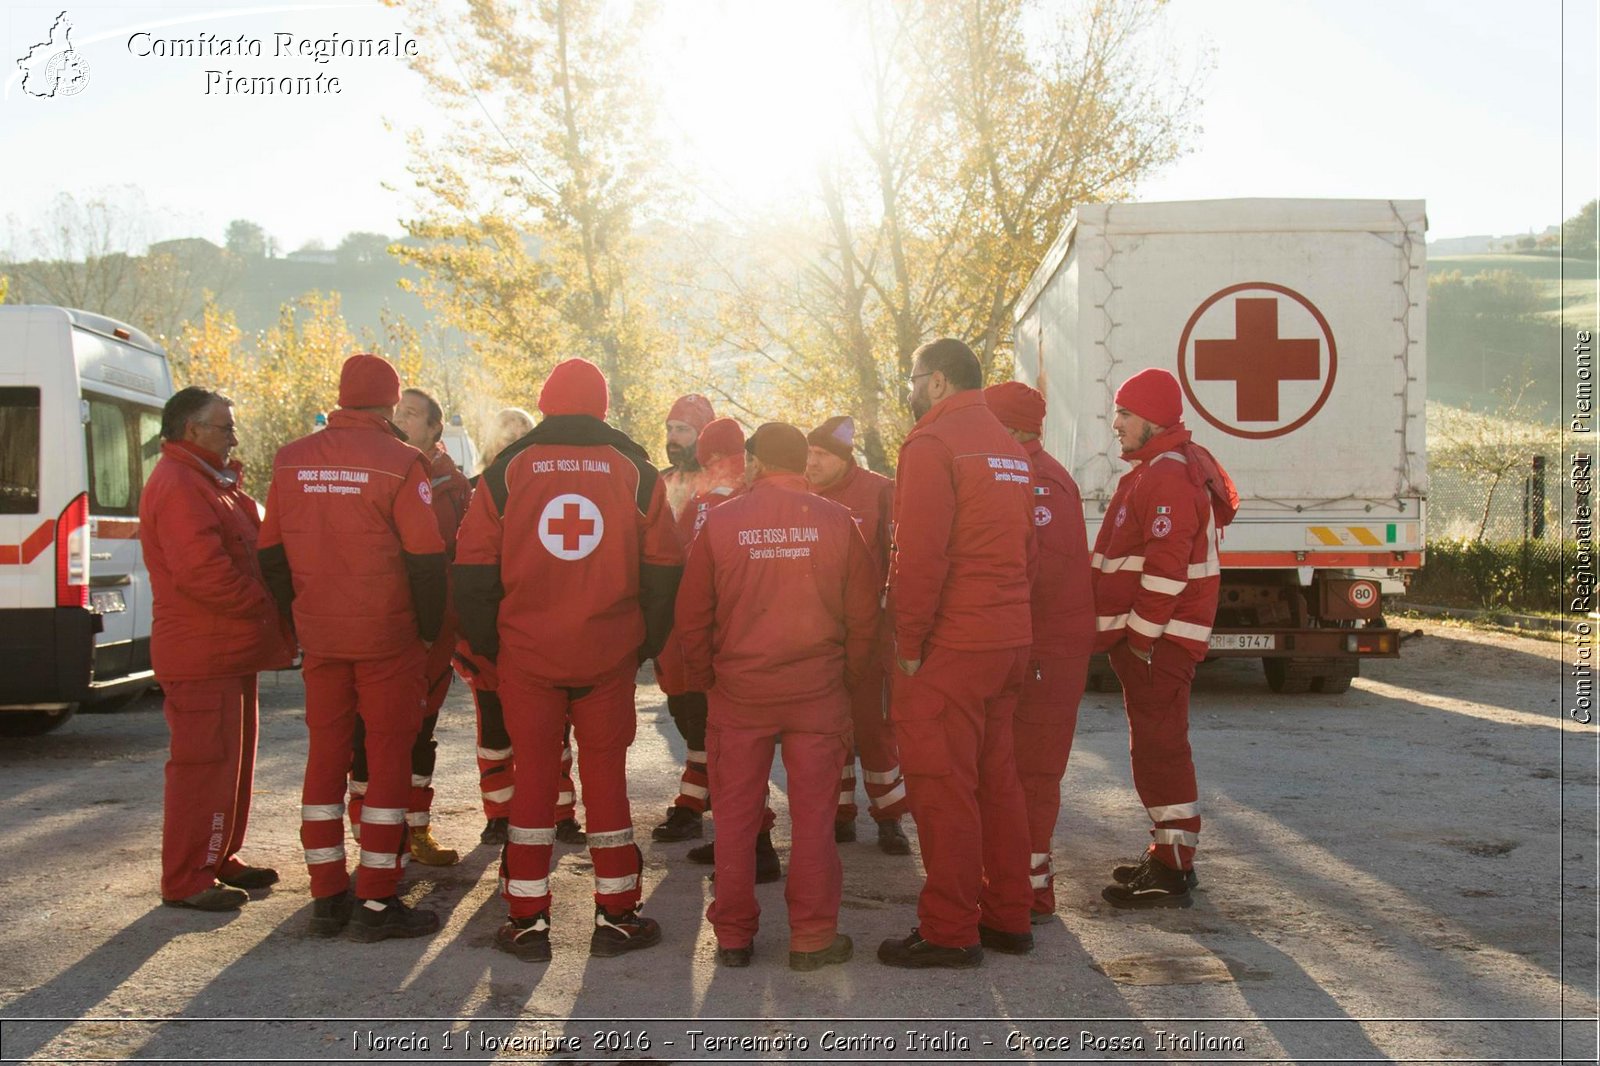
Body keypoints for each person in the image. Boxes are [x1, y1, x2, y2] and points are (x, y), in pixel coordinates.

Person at [455, 358, 682, 963]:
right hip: (607, 654)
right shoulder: (636, 473)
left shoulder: (506, 472)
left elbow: (472, 570)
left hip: (527, 655)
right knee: (607, 780)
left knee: (533, 779)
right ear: (602, 407)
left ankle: (527, 920)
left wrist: (495, 647)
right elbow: (665, 571)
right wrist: (642, 644)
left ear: (547, 403)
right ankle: (618, 914)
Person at [258, 354, 448, 942]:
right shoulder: (399, 462)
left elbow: (269, 553)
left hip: (322, 636)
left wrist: (300, 617)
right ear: (391, 404)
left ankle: (326, 895)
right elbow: (425, 558)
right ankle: (376, 898)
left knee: (325, 756)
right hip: (387, 636)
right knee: (389, 760)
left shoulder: (291, 459)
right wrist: (426, 628)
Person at [675, 423, 879, 970]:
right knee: (815, 820)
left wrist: (706, 677)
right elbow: (864, 616)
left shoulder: (720, 523)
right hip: (817, 693)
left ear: (756, 463)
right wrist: (849, 678)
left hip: (740, 694)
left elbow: (692, 615)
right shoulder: (838, 522)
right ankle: (812, 937)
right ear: (799, 464)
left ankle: (735, 936)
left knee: (737, 820)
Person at [879, 338, 1037, 969]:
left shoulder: (932, 443)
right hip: (1006, 638)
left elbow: (918, 555)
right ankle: (1008, 915)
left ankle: (949, 929)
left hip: (951, 644)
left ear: (938, 382)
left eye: (914, 378)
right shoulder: (1009, 447)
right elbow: (1025, 550)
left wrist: (909, 643)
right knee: (999, 784)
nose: (910, 389)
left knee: (944, 789)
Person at [141, 387, 294, 911]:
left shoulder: (212, 481)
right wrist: (266, 605)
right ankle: (188, 877)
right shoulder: (182, 484)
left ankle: (219, 856)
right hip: (204, 652)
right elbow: (205, 573)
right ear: (191, 430)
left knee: (232, 762)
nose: (233, 436)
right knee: (203, 765)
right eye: (223, 427)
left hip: (228, 650)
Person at [1093, 368, 1236, 908]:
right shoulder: (1161, 468)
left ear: (1152, 418)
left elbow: (1166, 569)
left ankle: (1174, 869)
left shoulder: (1167, 475)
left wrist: (1140, 636)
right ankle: (1167, 853)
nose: (1116, 424)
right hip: (1158, 640)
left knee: (1160, 749)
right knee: (1153, 747)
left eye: (1126, 414)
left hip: (1160, 641)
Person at [345, 387, 472, 867]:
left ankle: (417, 830)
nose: (401, 418)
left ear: (436, 430)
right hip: (383, 622)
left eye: (413, 414)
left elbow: (462, 554)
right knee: (369, 729)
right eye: (397, 410)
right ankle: (370, 834)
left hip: (434, 629)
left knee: (421, 730)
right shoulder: (372, 467)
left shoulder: (451, 483)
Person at [983, 382, 1094, 922]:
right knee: (1010, 768)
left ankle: (1030, 890)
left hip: (1046, 650)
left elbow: (1037, 576)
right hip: (1038, 647)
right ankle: (1014, 879)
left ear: (1010, 428)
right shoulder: (1022, 471)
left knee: (1032, 771)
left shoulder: (1039, 481)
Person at [459, 409, 586, 848]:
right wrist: (472, 639)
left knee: (554, 730)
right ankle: (499, 813)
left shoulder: (546, 489)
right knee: (495, 732)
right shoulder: (475, 491)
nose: (513, 438)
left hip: (538, 637)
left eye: (522, 432)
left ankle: (561, 811)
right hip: (488, 641)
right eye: (505, 431)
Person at [805, 415, 911, 855]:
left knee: (875, 728)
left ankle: (889, 819)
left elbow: (897, 558)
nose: (811, 463)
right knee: (832, 730)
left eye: (821, 455)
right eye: (808, 454)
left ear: (844, 458)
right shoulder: (803, 495)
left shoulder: (879, 491)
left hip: (871, 639)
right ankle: (840, 815)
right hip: (822, 638)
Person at [661, 393, 715, 520]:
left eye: (682, 429)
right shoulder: (660, 480)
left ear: (702, 435)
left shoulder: (719, 482)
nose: (672, 436)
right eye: (669, 429)